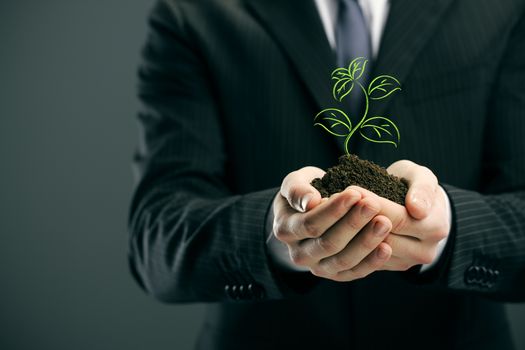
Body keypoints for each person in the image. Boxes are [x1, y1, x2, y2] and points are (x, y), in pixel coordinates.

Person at [128, 0, 525, 349]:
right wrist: (276, 232)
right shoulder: (193, 14)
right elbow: (158, 237)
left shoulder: (502, 7)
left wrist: (445, 229)